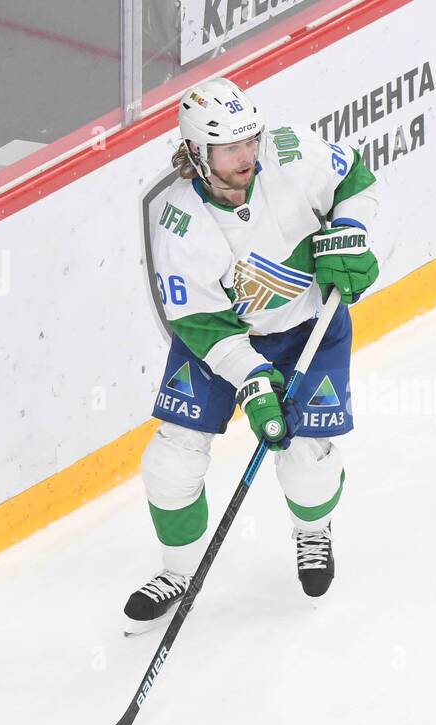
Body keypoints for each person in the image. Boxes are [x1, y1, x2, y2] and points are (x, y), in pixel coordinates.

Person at [125, 77, 379, 633]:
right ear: (196, 151)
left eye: (249, 141)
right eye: (229, 148)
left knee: (306, 467)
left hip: (307, 325)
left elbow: (356, 179)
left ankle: (313, 530)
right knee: (170, 463)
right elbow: (200, 324)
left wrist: (354, 234)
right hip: (220, 340)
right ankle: (178, 571)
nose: (245, 157)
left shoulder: (288, 151)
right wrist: (254, 380)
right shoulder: (178, 221)